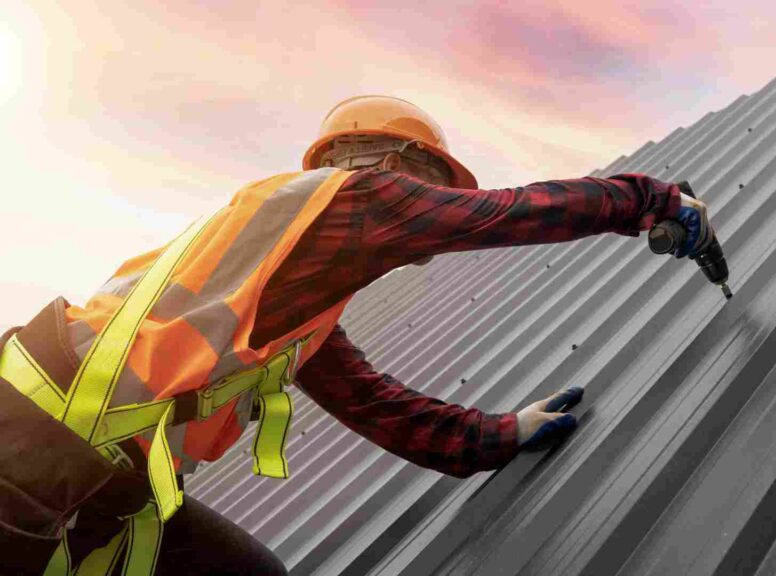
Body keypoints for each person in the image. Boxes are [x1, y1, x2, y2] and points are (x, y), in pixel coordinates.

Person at [0, 95, 716, 575]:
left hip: (92, 478)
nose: (441, 205)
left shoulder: (288, 287)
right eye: (438, 183)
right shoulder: (355, 196)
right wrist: (652, 202)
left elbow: (372, 403)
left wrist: (495, 437)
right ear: (395, 163)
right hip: (29, 452)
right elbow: (504, 215)